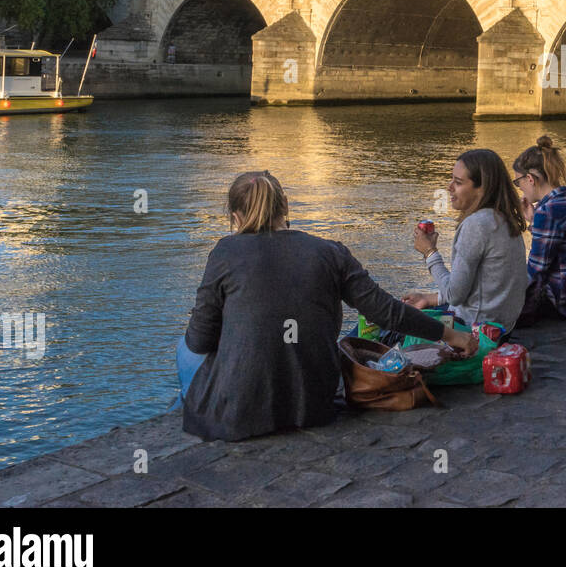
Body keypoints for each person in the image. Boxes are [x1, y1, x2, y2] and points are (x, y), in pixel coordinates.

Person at [177, 171, 475, 442]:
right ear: (285, 207)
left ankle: (196, 405)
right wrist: (451, 336)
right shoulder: (329, 251)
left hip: (241, 414)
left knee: (184, 348)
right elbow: (386, 311)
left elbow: (200, 339)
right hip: (313, 405)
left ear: (236, 217)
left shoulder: (225, 252)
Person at [405, 150, 528, 333]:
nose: (449, 187)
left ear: (481, 189)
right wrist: (431, 299)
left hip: (473, 331)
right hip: (501, 328)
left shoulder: (476, 225)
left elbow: (455, 295)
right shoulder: (504, 218)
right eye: (452, 179)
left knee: (395, 322)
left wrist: (429, 252)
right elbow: (477, 289)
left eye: (458, 182)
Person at [512, 136, 566, 326]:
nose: (520, 190)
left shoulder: (548, 212)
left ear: (530, 179)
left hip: (565, 305)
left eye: (518, 183)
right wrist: (533, 221)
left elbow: (535, 271)